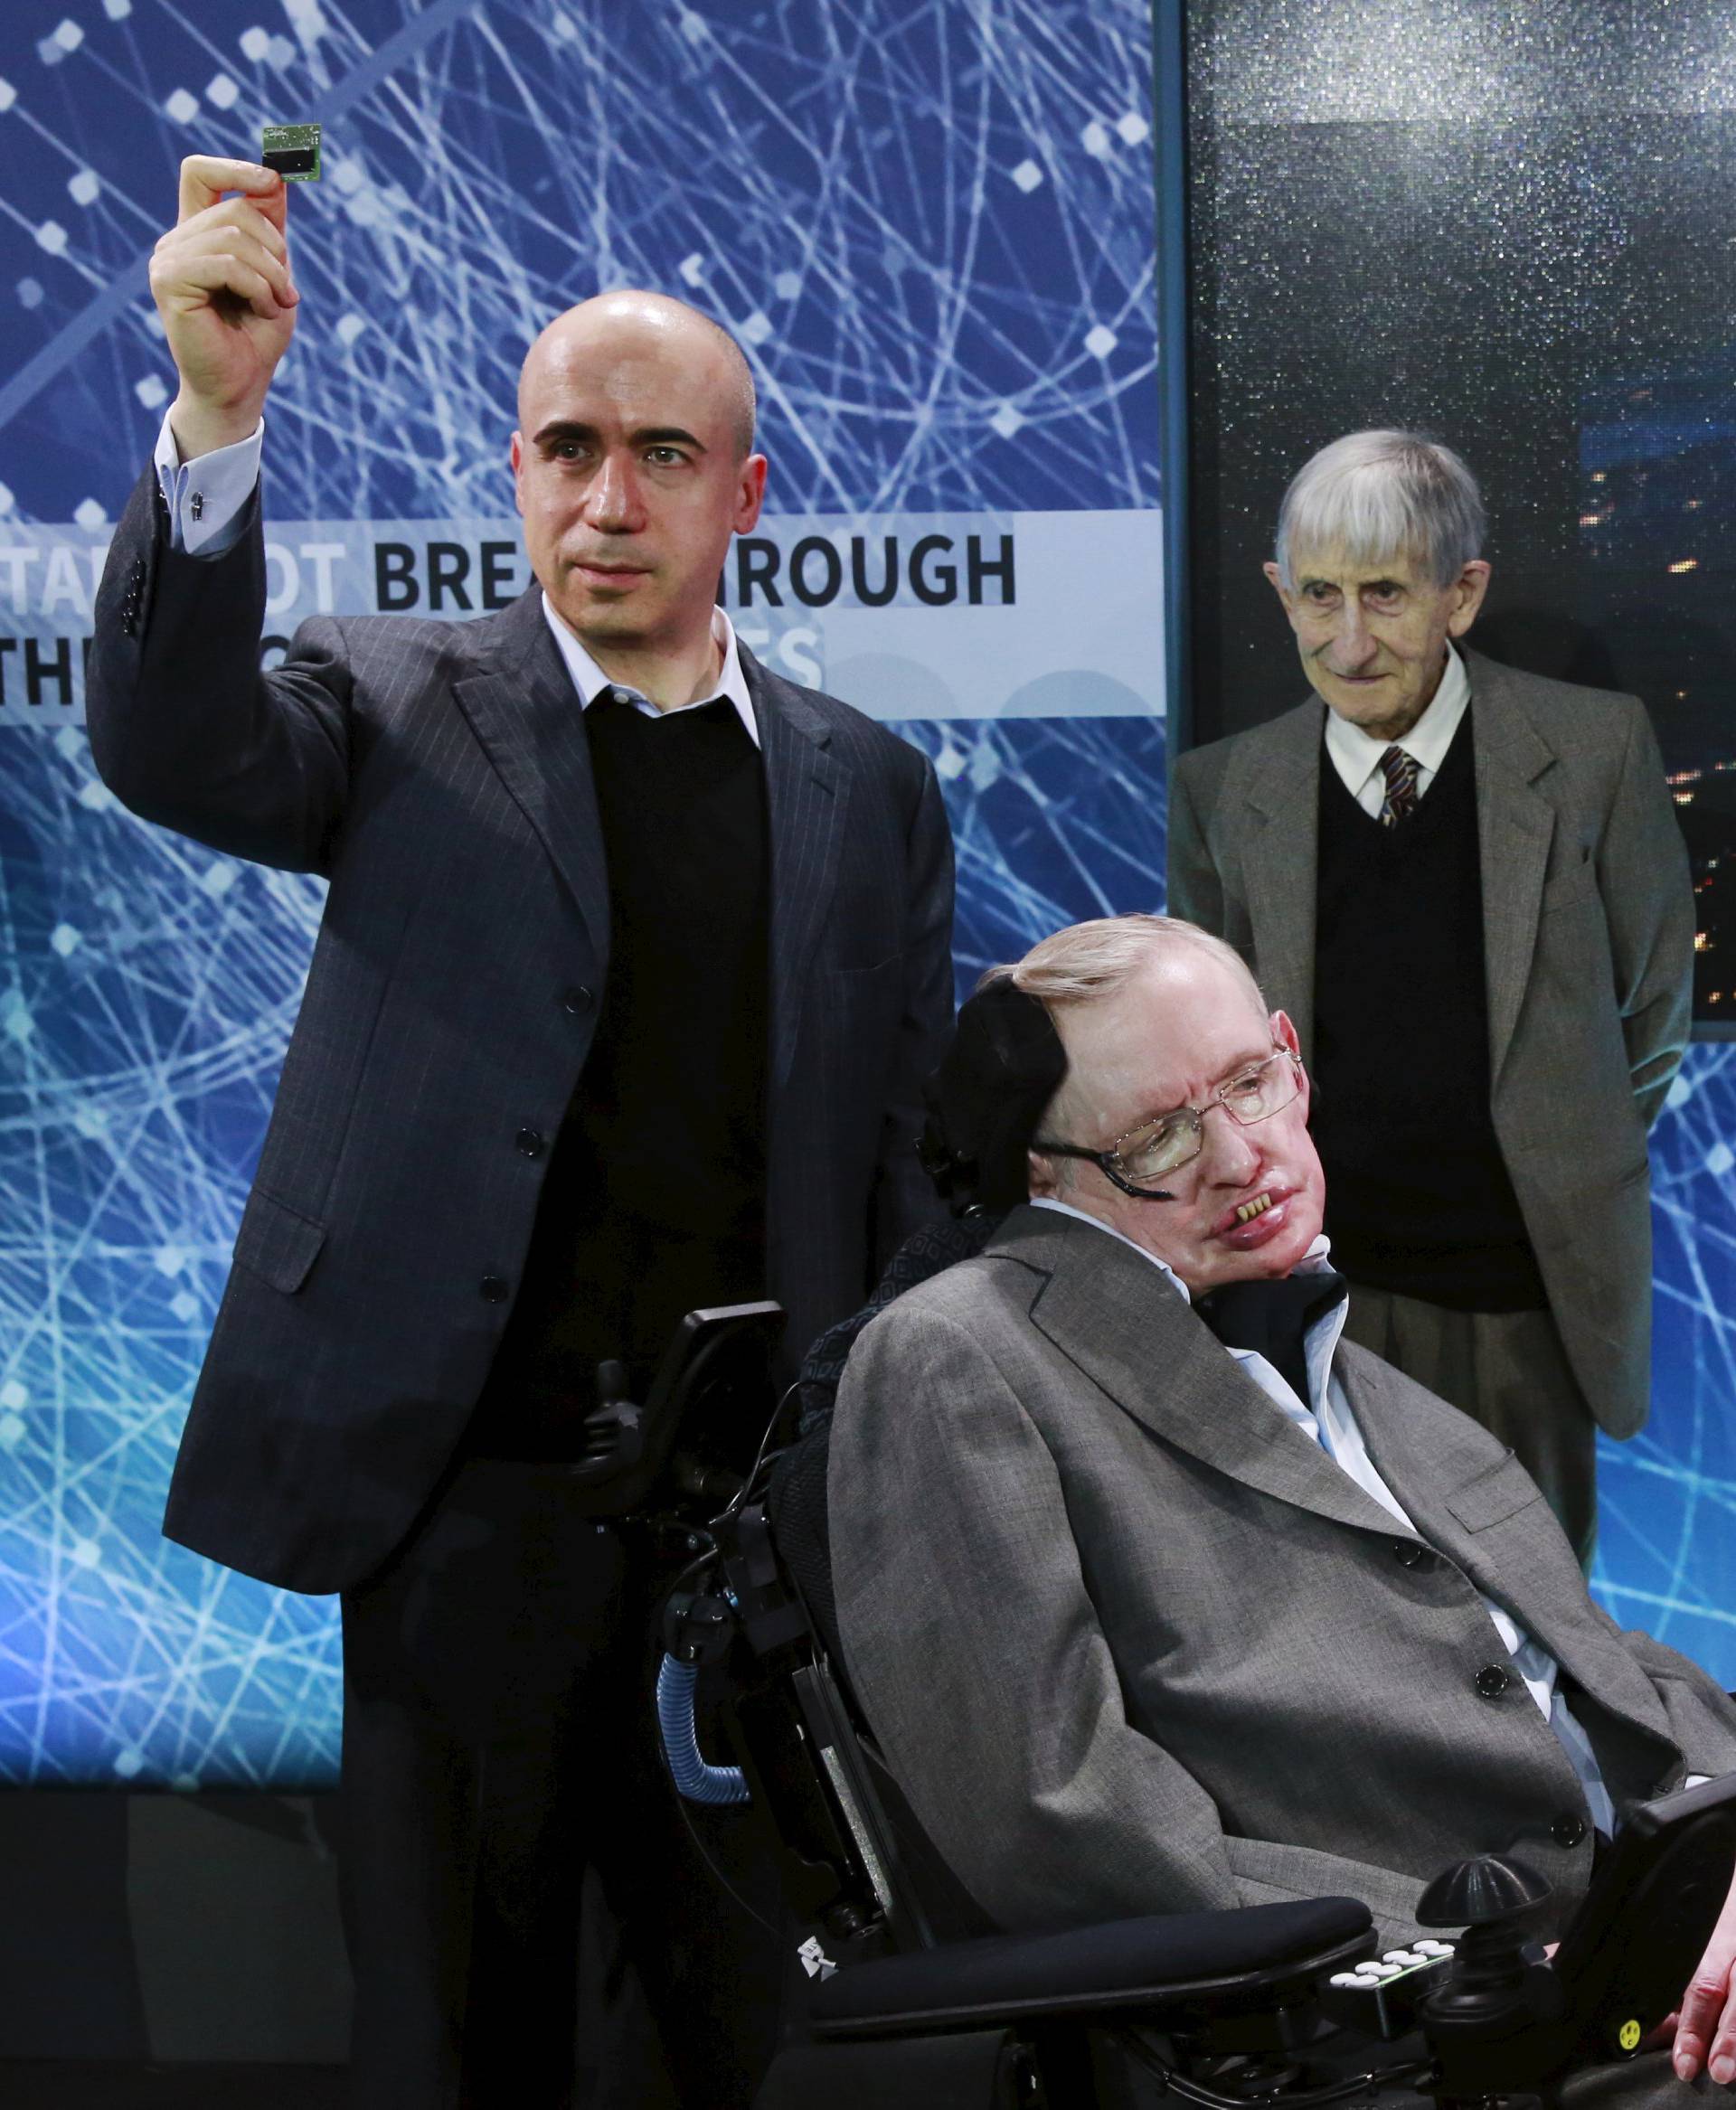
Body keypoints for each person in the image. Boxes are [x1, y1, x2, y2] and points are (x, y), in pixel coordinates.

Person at [86, 155, 955, 2108]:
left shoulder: (867, 788)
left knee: (733, 2034)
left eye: (661, 456)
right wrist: (219, 420)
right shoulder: (392, 698)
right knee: (451, 2036)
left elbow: (902, 1163)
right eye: (567, 448)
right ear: (514, 471)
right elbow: (170, 746)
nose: (606, 499)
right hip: (459, 1496)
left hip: (751, 1533)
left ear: (745, 497)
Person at [829, 914, 1736, 2104]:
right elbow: (1063, 1816)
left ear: (1291, 1054)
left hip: (1675, 1909)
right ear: (1043, 1172)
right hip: (1452, 2009)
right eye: (1159, 1133)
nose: (1243, 1155)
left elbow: (1584, 1664)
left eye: (1253, 1084)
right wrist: (1467, 1960)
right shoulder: (957, 1355)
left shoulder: (1344, 1347)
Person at [1167, 431, 1694, 1566]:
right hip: (1312, 1299)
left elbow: (1651, 1015)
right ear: (1280, 592)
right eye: (1318, 595)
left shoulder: (1594, 753)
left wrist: (1563, 1148)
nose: (1347, 641)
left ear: (1463, 593)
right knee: (1342, 1636)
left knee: (1534, 1640)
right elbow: (1211, 1059)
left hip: (1523, 1305)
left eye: (1386, 596)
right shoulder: (1224, 790)